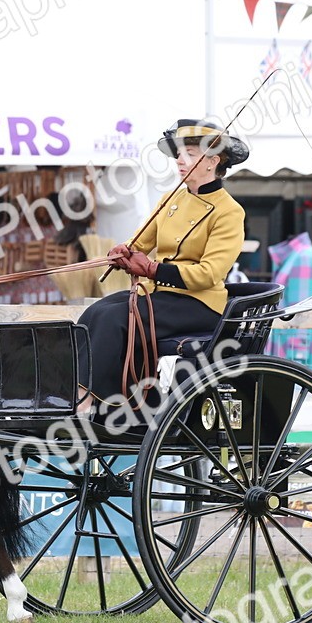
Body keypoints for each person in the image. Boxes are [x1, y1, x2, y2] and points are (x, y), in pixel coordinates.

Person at [78, 119, 247, 415]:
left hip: (198, 304)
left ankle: (91, 402)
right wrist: (125, 252)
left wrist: (153, 270)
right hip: (162, 297)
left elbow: (209, 274)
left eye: (191, 154)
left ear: (213, 161)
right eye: (180, 153)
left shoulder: (229, 211)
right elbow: (140, 242)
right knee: (95, 312)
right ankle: (121, 402)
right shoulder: (172, 198)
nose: (180, 161)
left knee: (112, 319)